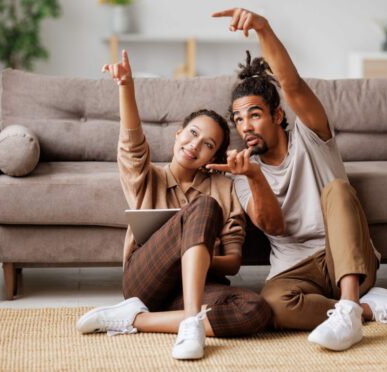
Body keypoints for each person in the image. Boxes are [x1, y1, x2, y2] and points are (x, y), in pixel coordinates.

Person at [208, 8, 387, 351]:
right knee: (274, 306)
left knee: (339, 190)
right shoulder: (244, 172)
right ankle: (367, 309)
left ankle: (346, 308)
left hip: (346, 259)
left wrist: (263, 29)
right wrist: (254, 177)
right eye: (239, 120)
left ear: (277, 115)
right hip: (296, 271)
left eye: (254, 114)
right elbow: (275, 225)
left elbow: (292, 84)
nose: (246, 126)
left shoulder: (311, 136)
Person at [76, 50, 272, 360]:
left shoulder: (224, 188)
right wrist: (126, 86)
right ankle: (193, 322)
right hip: (146, 282)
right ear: (178, 134)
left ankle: (134, 319)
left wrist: (197, 257)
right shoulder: (147, 177)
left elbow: (233, 261)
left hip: (195, 287)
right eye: (192, 134)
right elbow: (132, 140)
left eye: (207, 144)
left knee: (257, 310)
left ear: (213, 157)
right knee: (205, 208)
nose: (195, 145)